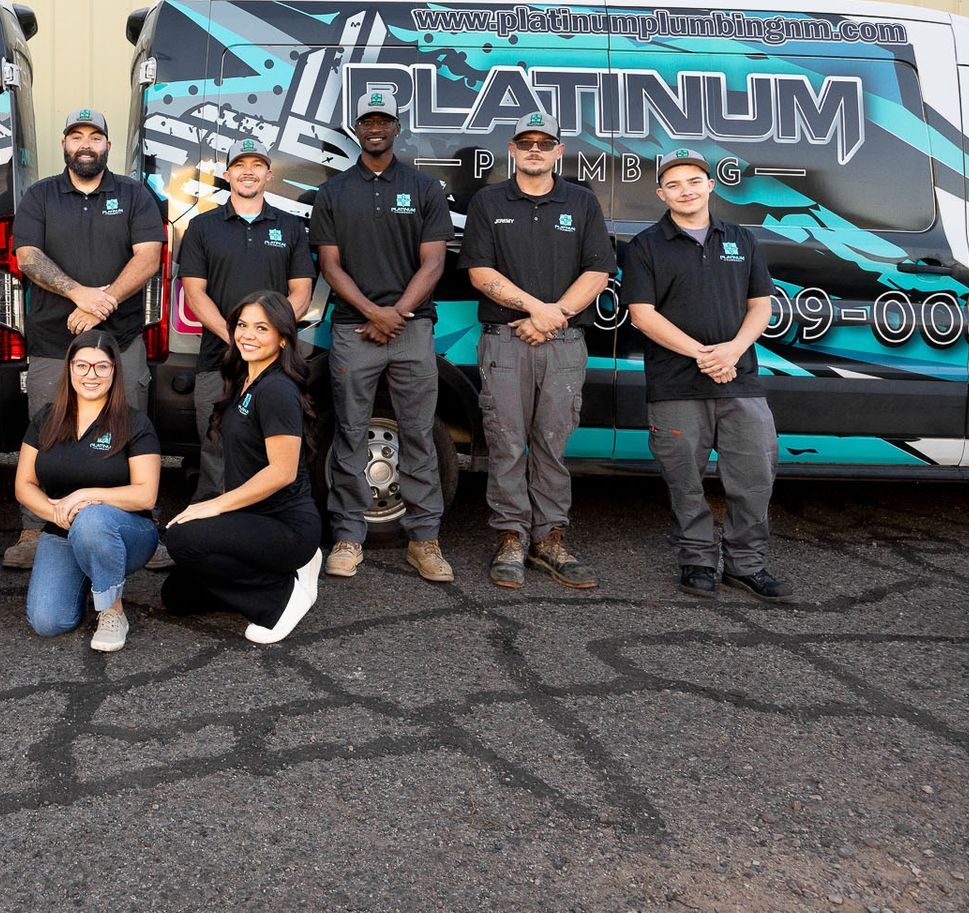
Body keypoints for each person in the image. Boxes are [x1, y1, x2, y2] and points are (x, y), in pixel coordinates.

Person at [622, 149, 794, 601]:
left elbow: (761, 305)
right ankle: (697, 561)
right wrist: (703, 355)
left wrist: (733, 350)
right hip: (676, 384)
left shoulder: (742, 239)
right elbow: (642, 315)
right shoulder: (644, 246)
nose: (686, 191)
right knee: (685, 481)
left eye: (694, 181)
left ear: (710, 186)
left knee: (754, 477)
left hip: (741, 378)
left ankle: (745, 565)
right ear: (661, 194)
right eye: (674, 185)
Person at [4, 108, 165, 570]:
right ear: (64, 145)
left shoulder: (133, 194)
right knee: (47, 430)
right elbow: (27, 256)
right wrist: (79, 294)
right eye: (77, 137)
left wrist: (102, 304)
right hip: (53, 341)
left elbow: (149, 256)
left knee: (129, 428)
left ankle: (138, 526)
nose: (86, 145)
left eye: (95, 137)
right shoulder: (40, 196)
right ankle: (35, 528)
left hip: (122, 339)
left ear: (108, 145)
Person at [459, 111, 613, 590]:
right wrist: (536, 310)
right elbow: (479, 272)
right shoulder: (488, 202)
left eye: (544, 143)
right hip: (505, 341)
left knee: (552, 442)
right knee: (505, 442)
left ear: (558, 151)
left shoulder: (582, 202)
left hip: (564, 343)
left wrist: (553, 316)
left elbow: (598, 271)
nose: (534, 150)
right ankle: (510, 536)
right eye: (525, 143)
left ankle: (549, 538)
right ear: (511, 150)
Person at [308, 90, 454, 582]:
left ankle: (424, 540)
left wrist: (398, 312)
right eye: (367, 121)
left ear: (397, 128)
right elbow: (330, 265)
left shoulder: (424, 188)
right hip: (354, 330)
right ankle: (348, 537)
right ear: (357, 129)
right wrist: (373, 312)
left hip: (412, 329)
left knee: (418, 434)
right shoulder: (334, 192)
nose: (375, 128)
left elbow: (434, 262)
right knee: (350, 433)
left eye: (383, 120)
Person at [160, 292, 323, 644]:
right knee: (177, 596)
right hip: (252, 519)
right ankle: (284, 573)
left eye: (262, 328)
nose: (248, 335)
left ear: (283, 337)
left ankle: (280, 597)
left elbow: (282, 472)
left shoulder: (277, 389)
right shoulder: (245, 378)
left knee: (182, 538)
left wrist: (214, 505)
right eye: (243, 325)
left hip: (286, 526)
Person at [177, 137, 315, 498]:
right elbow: (195, 293)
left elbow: (301, 293)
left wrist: (265, 337)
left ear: (269, 174)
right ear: (227, 174)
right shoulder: (202, 227)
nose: (248, 172)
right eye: (239, 165)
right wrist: (237, 337)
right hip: (218, 360)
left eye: (256, 165)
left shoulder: (290, 227)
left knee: (275, 449)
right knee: (215, 451)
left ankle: (268, 522)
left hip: (275, 365)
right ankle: (212, 522)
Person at [15, 330, 161, 652]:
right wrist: (55, 512)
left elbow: (146, 494)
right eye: (82, 366)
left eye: (101, 366)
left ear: (114, 371)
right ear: (69, 368)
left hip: (126, 533)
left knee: (92, 519)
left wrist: (85, 496)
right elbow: (24, 485)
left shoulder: (134, 423)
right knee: (48, 622)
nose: (91, 375)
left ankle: (112, 610)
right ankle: (92, 578)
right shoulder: (47, 418)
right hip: (63, 528)